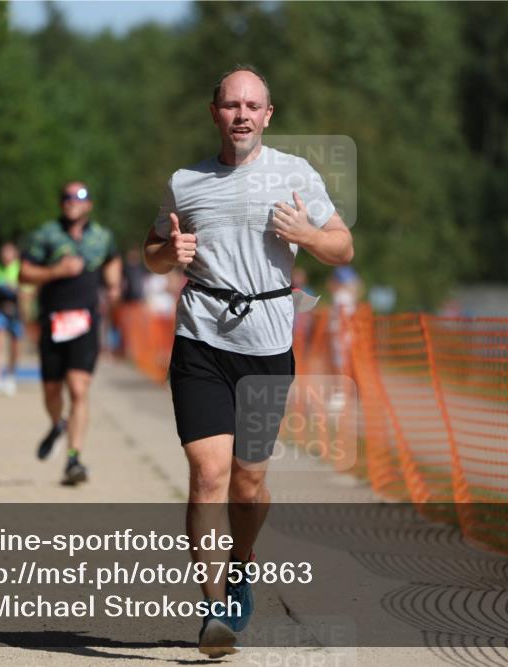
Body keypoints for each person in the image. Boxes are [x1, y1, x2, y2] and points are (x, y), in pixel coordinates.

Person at [143, 65, 354, 657]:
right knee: (208, 475)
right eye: (230, 105)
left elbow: (343, 246)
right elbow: (153, 252)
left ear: (267, 116)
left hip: (266, 346)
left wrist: (307, 236)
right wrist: (169, 251)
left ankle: (243, 560)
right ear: (215, 113)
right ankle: (213, 612)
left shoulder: (296, 175)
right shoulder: (185, 182)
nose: (241, 114)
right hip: (201, 340)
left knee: (248, 482)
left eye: (251, 106)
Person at [20, 182, 122, 486]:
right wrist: (56, 271)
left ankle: (74, 459)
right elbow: (24, 273)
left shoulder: (102, 236)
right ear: (60, 203)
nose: (72, 203)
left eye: (78, 198)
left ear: (89, 204)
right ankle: (57, 423)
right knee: (52, 390)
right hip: (52, 321)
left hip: (85, 323)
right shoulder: (46, 234)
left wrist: (113, 282)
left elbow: (112, 257)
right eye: (66, 197)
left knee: (78, 388)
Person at [0, 242, 24, 396]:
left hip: (16, 311)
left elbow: (28, 292)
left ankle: (10, 375)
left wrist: (15, 288)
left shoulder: (21, 268)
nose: (6, 256)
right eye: (4, 252)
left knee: (15, 346)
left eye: (9, 252)